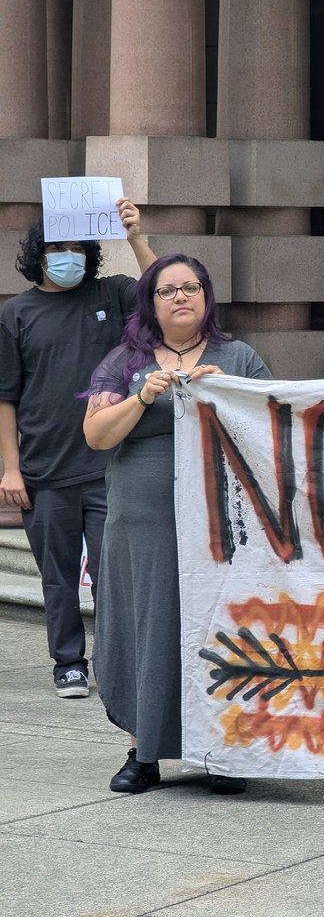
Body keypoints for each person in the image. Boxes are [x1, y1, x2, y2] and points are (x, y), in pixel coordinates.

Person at [83, 254, 272, 794]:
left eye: (190, 287)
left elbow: (274, 427)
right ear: (151, 302)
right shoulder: (125, 361)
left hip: (222, 525)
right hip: (143, 523)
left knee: (221, 625)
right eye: (167, 290)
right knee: (151, 625)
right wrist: (144, 396)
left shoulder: (237, 357)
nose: (180, 297)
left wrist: (226, 398)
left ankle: (223, 749)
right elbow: (96, 435)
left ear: (207, 296)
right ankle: (145, 751)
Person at [0, 200, 155, 697]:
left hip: (111, 463)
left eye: (77, 247)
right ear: (38, 255)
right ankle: (68, 662)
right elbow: (5, 397)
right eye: (57, 248)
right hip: (44, 468)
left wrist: (135, 235)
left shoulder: (112, 293)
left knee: (117, 574)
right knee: (58, 578)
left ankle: (117, 663)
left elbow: (164, 292)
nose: (69, 256)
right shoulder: (16, 313)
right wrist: (10, 470)